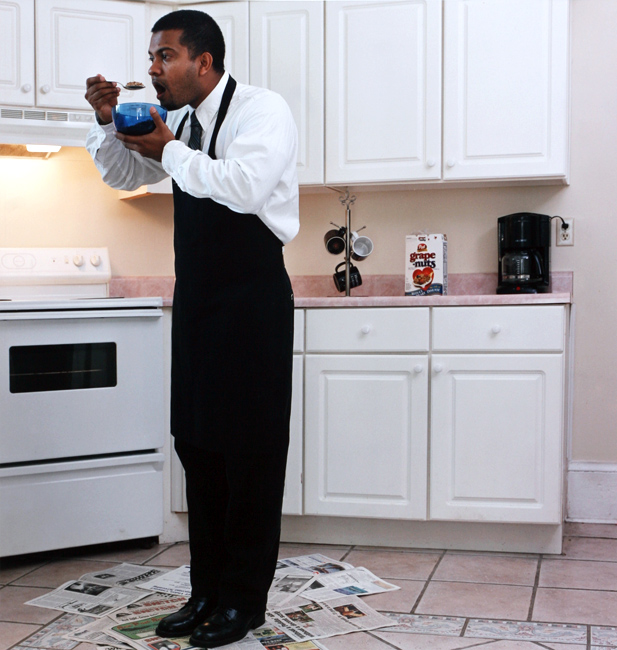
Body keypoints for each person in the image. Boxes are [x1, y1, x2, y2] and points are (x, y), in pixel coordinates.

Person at [84, 9, 298, 649]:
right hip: (199, 301)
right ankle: (205, 593)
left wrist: (168, 148)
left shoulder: (263, 111)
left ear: (202, 61)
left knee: (250, 456)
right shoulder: (174, 124)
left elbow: (244, 185)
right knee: (199, 448)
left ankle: (243, 603)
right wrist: (107, 122)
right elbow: (123, 174)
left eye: (164, 57)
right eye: (152, 58)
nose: (153, 69)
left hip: (254, 302)